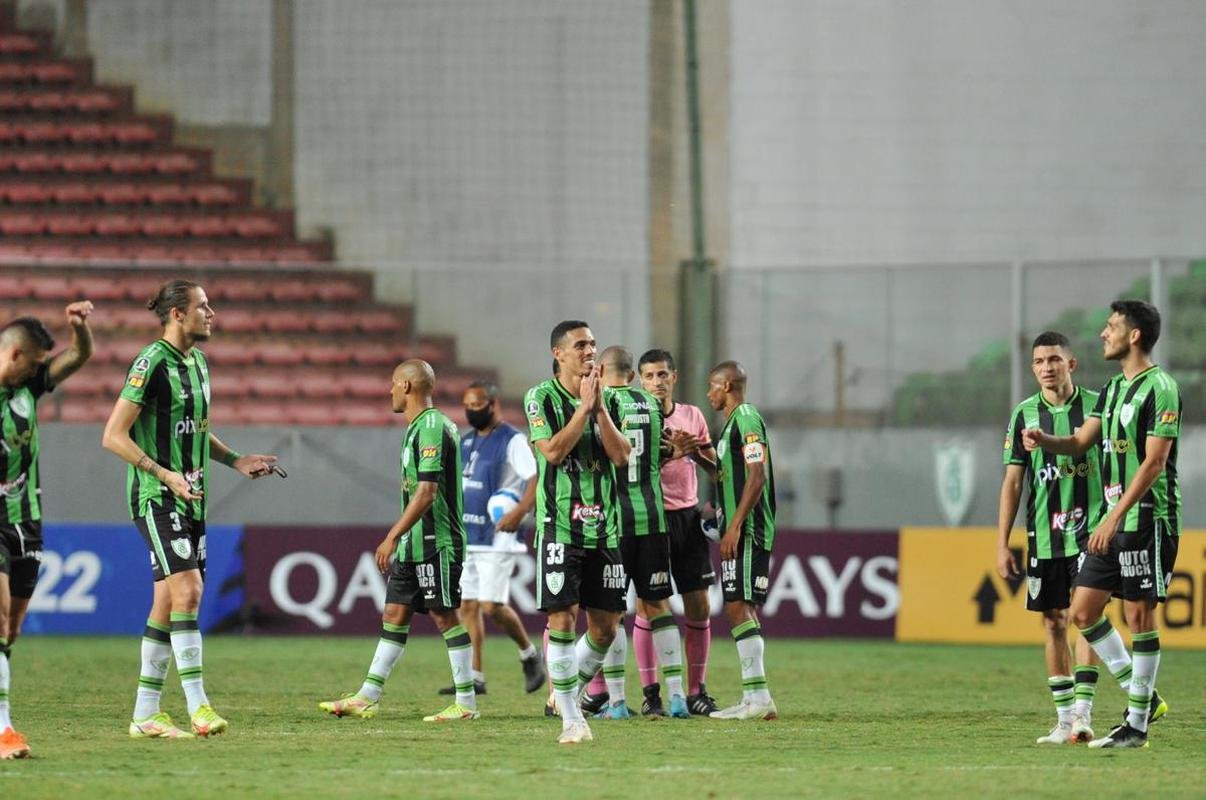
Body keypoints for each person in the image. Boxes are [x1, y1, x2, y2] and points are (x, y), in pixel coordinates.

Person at [102, 280, 279, 740]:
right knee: (190, 591)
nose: (212, 312)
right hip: (156, 496)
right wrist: (162, 474)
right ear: (177, 314)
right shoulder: (150, 363)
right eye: (203, 306)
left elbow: (197, 430)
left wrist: (235, 459)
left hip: (191, 496)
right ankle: (198, 707)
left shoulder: (197, 362)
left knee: (167, 601)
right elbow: (113, 435)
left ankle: (145, 714)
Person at [1023, 300, 1180, 749]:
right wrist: (1044, 440)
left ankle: (1136, 724)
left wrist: (1112, 516)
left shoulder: (1161, 388)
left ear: (1134, 335)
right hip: (1113, 521)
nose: (1103, 334)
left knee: (1137, 614)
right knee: (1083, 612)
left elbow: (1154, 463)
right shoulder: (1113, 390)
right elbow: (1077, 443)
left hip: (1148, 518)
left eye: (1111, 327)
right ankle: (1143, 699)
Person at [320, 359, 476, 723]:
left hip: (436, 542)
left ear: (407, 386)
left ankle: (466, 702)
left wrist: (392, 536)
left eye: (393, 384)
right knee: (394, 613)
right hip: (414, 545)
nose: (390, 390)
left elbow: (426, 493)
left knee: (444, 615)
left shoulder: (434, 426)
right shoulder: (417, 428)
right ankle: (367, 696)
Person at [524, 321, 630, 744]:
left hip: (605, 529)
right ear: (559, 353)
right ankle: (572, 717)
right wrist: (582, 410)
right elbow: (550, 452)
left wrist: (600, 409)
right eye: (581, 345)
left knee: (606, 627)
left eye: (593, 344)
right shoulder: (540, 398)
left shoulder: (611, 400)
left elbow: (622, 457)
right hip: (560, 527)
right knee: (563, 618)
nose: (590, 350)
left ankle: (565, 694)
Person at [998, 331, 1102, 745]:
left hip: (1090, 533)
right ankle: (1063, 720)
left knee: (1085, 616)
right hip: (1044, 536)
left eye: (1054, 360)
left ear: (1071, 364)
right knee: (1052, 622)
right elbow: (1012, 480)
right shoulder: (1024, 414)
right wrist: (1001, 541)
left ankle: (1083, 714)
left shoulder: (1098, 406)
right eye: (1039, 361)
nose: (1046, 367)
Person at [0, 304, 94, 760]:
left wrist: (80, 330)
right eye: (36, 362)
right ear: (14, 355)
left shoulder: (27, 386)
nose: (41, 372)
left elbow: (77, 358)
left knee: (12, 628)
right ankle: (3, 730)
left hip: (27, 520)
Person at [577, 346, 691, 720]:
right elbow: (658, 453)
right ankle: (677, 699)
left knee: (610, 613)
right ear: (632, 372)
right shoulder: (651, 403)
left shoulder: (602, 401)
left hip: (614, 525)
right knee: (659, 607)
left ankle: (615, 703)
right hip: (654, 520)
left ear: (604, 369)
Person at [435, 380, 545, 697]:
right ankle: (474, 677)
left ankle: (529, 654)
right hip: (468, 536)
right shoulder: (467, 443)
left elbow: (534, 479)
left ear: (493, 403)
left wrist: (518, 514)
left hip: (497, 534)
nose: (472, 410)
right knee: (467, 607)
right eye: (467, 405)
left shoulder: (512, 441)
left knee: (491, 606)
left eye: (477, 404)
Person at [692, 361, 778, 720]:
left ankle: (757, 699)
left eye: (712, 387)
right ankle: (757, 697)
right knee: (739, 606)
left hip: (751, 527)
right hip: (741, 526)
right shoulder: (729, 429)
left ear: (727, 385)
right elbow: (728, 474)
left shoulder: (745, 417)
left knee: (738, 606)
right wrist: (695, 454)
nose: (709, 394)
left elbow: (756, 476)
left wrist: (736, 524)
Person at [638, 348, 719, 716]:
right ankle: (651, 693)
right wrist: (671, 453)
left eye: (662, 375)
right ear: (640, 380)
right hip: (650, 518)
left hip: (686, 518)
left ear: (674, 378)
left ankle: (695, 690)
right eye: (650, 376)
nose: (657, 382)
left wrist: (694, 451)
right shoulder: (636, 418)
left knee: (699, 606)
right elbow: (632, 470)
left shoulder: (692, 416)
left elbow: (714, 467)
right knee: (650, 605)